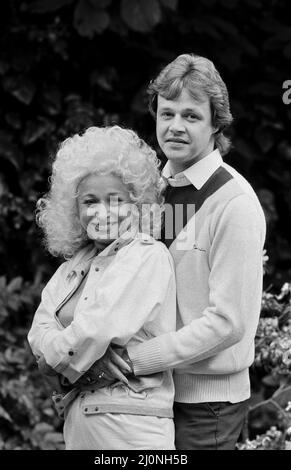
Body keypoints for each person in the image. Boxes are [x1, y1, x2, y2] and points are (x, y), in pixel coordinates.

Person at [91, 53, 267, 450]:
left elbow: (228, 322)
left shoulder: (233, 203)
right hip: (150, 395)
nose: (175, 126)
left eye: (191, 116)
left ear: (216, 122)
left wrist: (137, 358)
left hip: (208, 406)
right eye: (167, 113)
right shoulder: (153, 189)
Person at [27, 125, 177, 450]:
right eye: (90, 201)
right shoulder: (74, 265)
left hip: (130, 427)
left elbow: (96, 328)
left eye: (115, 200)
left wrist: (53, 363)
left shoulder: (146, 254)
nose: (102, 211)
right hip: (80, 423)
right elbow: (39, 330)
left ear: (136, 203)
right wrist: (72, 361)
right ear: (74, 209)